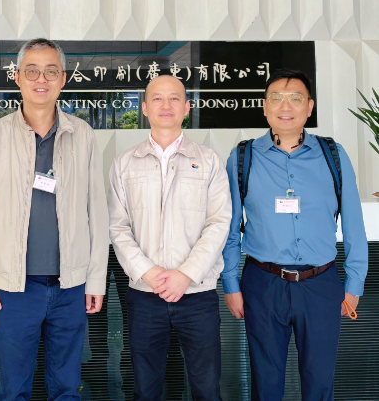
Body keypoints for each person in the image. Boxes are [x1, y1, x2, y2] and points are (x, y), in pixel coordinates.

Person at [0, 38, 109, 401]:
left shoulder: (83, 134)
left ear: (63, 79)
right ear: (17, 77)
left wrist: (96, 278)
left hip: (71, 286)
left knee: (66, 388)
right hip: (12, 288)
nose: (40, 79)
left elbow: (97, 211)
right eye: (31, 71)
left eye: (50, 71)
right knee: (14, 389)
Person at [222, 68, 368, 401]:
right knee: (265, 384)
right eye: (276, 98)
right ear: (264, 106)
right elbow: (229, 227)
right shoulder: (242, 157)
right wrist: (230, 284)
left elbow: (354, 225)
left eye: (295, 98)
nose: (285, 106)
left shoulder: (333, 155)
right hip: (263, 283)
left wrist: (354, 284)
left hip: (321, 284)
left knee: (320, 384)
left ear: (309, 107)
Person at [108, 75, 232, 401]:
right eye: (158, 98)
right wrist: (149, 273)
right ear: (144, 108)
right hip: (145, 296)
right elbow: (117, 227)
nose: (166, 105)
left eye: (175, 98)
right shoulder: (124, 164)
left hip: (198, 295)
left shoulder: (208, 161)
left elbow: (219, 222)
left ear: (187, 107)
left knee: (207, 390)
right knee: (145, 391)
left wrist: (185, 274)